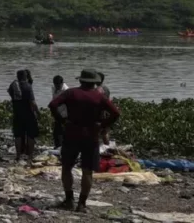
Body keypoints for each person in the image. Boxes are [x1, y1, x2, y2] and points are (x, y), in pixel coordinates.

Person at [49, 69, 120, 213]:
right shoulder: (99, 96)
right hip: (91, 137)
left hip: (71, 134)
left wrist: (62, 120)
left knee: (66, 167)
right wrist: (103, 124)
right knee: (87, 171)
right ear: (95, 82)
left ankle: (69, 200)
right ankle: (81, 204)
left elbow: (53, 105)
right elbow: (116, 113)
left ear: (80, 80)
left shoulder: (71, 93)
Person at [8, 70, 38, 164]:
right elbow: (32, 103)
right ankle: (30, 156)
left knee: (18, 135)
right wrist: (38, 112)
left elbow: (9, 92)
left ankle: (18, 156)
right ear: (26, 76)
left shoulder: (13, 85)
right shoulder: (28, 86)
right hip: (28, 114)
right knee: (30, 135)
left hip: (17, 113)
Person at [52, 75, 69, 148]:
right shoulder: (53, 88)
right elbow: (53, 99)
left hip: (65, 114)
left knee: (64, 133)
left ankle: (63, 148)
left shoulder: (66, 90)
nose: (56, 87)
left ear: (62, 83)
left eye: (58, 85)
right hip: (57, 112)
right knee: (56, 133)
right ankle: (58, 147)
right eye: (55, 85)